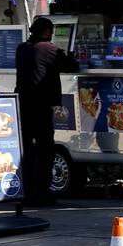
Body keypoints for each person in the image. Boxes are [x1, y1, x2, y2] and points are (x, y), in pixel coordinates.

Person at [15, 16, 79, 205]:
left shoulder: (21, 48)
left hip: (23, 104)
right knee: (45, 150)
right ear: (45, 32)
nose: (51, 36)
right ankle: (42, 193)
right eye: (50, 32)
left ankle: (27, 191)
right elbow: (71, 65)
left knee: (27, 150)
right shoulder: (48, 48)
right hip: (40, 106)